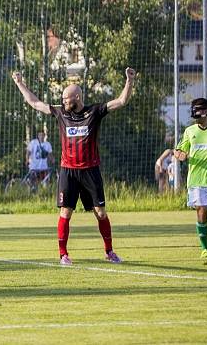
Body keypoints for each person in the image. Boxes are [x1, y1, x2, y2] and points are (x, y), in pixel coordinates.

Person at [12, 67, 136, 265]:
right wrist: (19, 83)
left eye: (66, 98)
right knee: (65, 212)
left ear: (77, 97)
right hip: (68, 172)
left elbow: (121, 101)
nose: (63, 101)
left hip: (90, 170)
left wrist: (129, 81)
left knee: (101, 212)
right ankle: (63, 255)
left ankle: (109, 251)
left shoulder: (94, 111)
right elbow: (35, 103)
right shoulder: (61, 113)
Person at [174, 98, 207, 260]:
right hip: (196, 181)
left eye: (197, 110)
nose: (195, 113)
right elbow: (179, 150)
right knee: (201, 212)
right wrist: (179, 154)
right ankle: (205, 249)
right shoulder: (190, 131)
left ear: (206, 111)